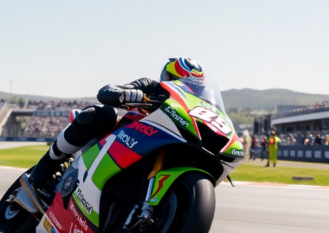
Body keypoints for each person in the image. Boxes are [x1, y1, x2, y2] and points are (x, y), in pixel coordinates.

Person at [25, 57, 205, 195]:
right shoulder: (150, 87)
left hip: (163, 143)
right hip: (125, 135)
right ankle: (47, 164)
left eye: (195, 88)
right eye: (182, 83)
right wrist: (124, 94)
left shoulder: (197, 110)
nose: (189, 91)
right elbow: (106, 91)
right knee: (105, 113)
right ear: (168, 78)